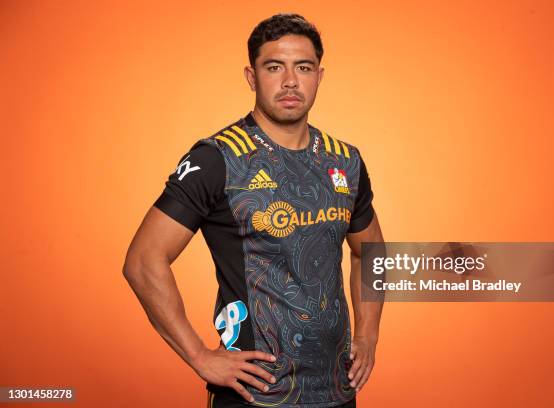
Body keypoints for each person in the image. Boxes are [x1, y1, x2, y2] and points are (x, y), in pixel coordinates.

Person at [123, 13, 384, 408]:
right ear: (251, 76)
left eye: (304, 67)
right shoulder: (218, 158)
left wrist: (367, 337)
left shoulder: (344, 161)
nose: (291, 81)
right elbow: (143, 260)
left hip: (336, 392)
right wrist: (198, 355)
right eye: (274, 67)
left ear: (319, 76)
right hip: (254, 393)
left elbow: (371, 252)